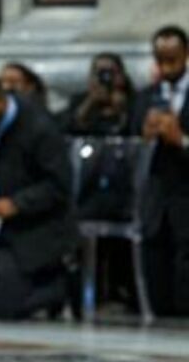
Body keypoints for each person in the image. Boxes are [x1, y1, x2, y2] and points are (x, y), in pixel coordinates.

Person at [0, 75, 76, 320]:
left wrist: (17, 204)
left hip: (32, 225)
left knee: (8, 308)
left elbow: (58, 185)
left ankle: (57, 286)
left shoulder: (39, 128)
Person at [129, 25, 189, 316]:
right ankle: (158, 309)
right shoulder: (146, 96)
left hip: (186, 186)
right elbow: (129, 138)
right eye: (160, 60)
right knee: (155, 249)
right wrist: (144, 133)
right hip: (156, 188)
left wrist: (182, 140)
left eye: (172, 60)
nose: (165, 68)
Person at [61, 53, 133, 137]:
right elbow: (66, 130)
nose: (106, 78)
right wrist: (89, 103)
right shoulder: (78, 101)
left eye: (111, 73)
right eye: (100, 73)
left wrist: (122, 110)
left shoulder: (134, 101)